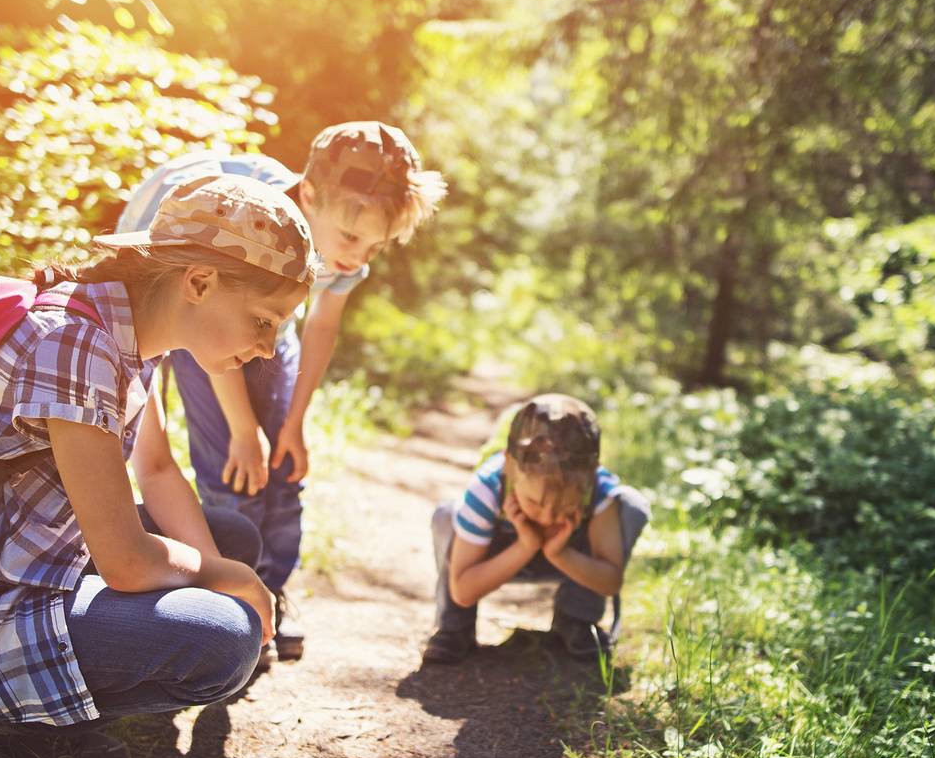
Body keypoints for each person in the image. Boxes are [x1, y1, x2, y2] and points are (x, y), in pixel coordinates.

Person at [0, 174, 315, 758]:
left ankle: (58, 695)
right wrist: (220, 578)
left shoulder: (128, 336)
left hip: (29, 555)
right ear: (199, 283)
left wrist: (218, 567)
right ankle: (9, 720)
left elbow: (155, 470)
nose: (266, 349)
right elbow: (126, 562)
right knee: (223, 638)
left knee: (231, 536)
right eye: (264, 321)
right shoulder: (76, 346)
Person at [114, 122, 446, 660]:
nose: (360, 258)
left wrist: (292, 424)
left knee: (282, 463)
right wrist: (244, 431)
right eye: (352, 239)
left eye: (376, 247)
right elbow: (209, 324)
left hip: (264, 308)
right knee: (233, 456)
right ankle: (232, 598)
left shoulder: (342, 248)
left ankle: (269, 587)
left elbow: (319, 325)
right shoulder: (249, 228)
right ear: (308, 197)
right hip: (183, 300)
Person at [424, 394, 651, 664]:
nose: (546, 517)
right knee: (447, 515)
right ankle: (454, 628)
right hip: (499, 557)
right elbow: (463, 590)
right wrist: (525, 546)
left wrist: (560, 554)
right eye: (533, 502)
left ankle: (576, 618)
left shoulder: (598, 491)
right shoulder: (487, 488)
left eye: (565, 506)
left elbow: (610, 581)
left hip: (570, 558)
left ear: (591, 476)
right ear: (508, 465)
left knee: (631, 506)